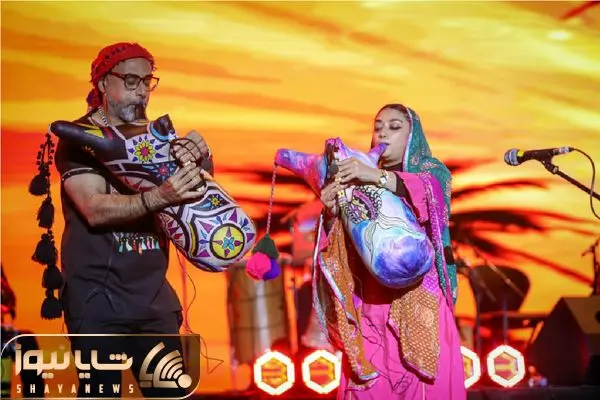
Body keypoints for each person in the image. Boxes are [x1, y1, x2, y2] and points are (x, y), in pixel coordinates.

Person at [52, 42, 211, 398]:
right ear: (102, 83)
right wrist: (160, 196)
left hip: (153, 302)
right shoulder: (80, 139)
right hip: (97, 302)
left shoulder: (160, 139)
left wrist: (199, 158)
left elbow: (198, 200)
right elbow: (93, 208)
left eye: (147, 81)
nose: (141, 91)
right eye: (131, 80)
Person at [316, 104, 465, 399]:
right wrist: (332, 212)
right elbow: (343, 245)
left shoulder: (431, 172)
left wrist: (376, 177)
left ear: (412, 136)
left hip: (421, 305)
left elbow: (430, 196)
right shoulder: (355, 182)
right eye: (378, 127)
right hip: (370, 306)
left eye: (394, 127)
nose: (382, 132)